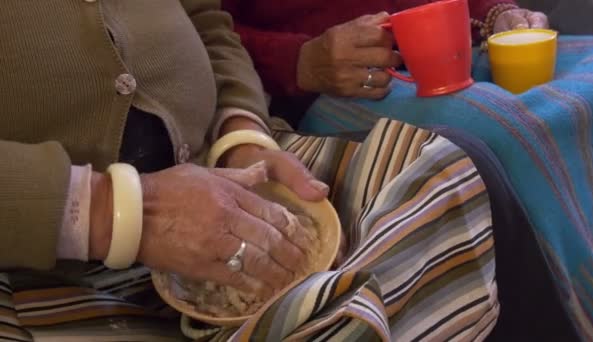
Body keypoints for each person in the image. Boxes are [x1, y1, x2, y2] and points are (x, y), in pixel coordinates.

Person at [0, 0, 496, 340]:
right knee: (333, 315)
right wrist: (116, 212)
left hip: (216, 154)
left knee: (441, 175)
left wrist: (242, 134)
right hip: (38, 251)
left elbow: (208, 22)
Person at [222, 0, 550, 124]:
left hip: (455, 48)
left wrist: (496, 13)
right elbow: (206, 30)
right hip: (329, 87)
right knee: (504, 123)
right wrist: (299, 61)